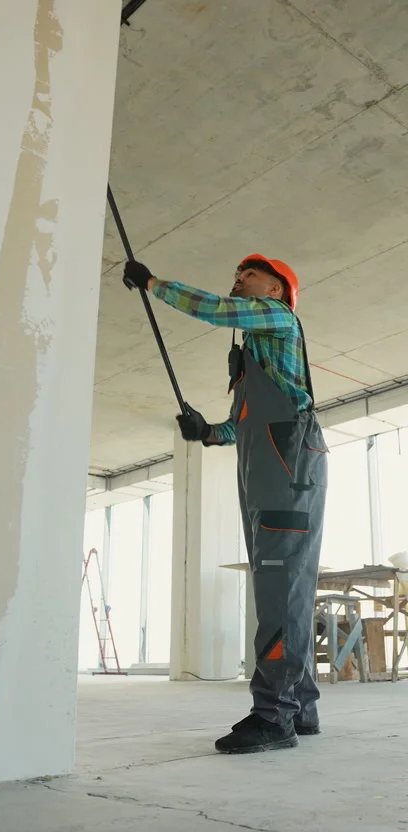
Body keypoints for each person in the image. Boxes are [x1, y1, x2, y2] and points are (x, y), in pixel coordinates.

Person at [123, 254, 328, 754]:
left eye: (251, 275)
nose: (239, 279)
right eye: (237, 273)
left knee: (280, 589)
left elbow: (214, 309)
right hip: (267, 476)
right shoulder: (257, 359)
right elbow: (244, 424)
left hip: (287, 476)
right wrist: (211, 432)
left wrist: (153, 283)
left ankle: (272, 717)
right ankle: (300, 706)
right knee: (287, 590)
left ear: (277, 291)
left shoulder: (277, 319)